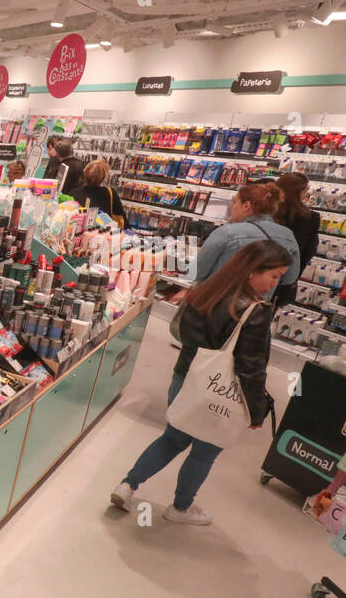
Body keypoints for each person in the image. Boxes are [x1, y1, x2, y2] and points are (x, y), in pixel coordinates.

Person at [110, 240, 288, 525]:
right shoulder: (255, 311)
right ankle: (180, 508)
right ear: (253, 271)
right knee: (205, 450)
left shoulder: (206, 292)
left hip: (188, 377)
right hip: (224, 391)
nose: (275, 283)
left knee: (173, 438)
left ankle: (128, 485)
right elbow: (250, 368)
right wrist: (256, 412)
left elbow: (184, 336)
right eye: (274, 275)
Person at [194, 182, 299, 294]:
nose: (232, 207)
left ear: (246, 205)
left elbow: (196, 271)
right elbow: (289, 278)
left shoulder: (227, 232)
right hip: (253, 306)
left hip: (216, 300)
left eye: (234, 202)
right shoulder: (288, 236)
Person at [273, 171, 318, 304]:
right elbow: (308, 251)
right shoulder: (310, 217)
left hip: (253, 275)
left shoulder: (269, 211)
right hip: (285, 277)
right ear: (300, 192)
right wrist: (293, 277)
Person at [74, 158, 125, 225]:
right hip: (104, 233)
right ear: (104, 177)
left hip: (78, 233)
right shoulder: (111, 193)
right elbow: (122, 220)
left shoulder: (74, 193)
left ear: (85, 173)